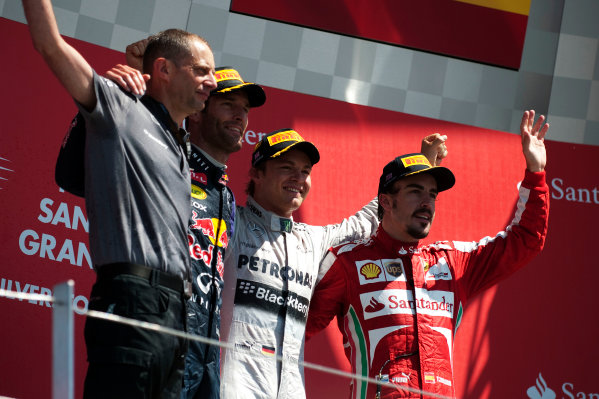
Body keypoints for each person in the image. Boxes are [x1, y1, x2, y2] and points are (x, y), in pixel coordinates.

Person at [21, 1, 217, 397]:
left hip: (177, 314)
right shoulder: (119, 107)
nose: (212, 81)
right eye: (201, 70)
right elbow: (49, 44)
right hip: (131, 299)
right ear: (162, 69)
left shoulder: (180, 142)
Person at [305, 110, 550, 399]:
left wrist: (536, 174)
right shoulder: (348, 263)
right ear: (386, 201)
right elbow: (296, 328)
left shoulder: (453, 262)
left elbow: (526, 240)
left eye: (432, 194)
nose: (427, 202)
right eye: (415, 191)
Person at [55, 63, 266, 398]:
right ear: (197, 111)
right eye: (228, 105)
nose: (240, 116)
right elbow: (70, 177)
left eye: (245, 110)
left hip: (206, 356)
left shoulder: (226, 194)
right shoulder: (160, 158)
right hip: (157, 338)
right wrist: (92, 110)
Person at [219, 129, 449, 399]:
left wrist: (422, 165)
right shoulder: (230, 221)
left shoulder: (314, 241)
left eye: (305, 171)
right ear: (257, 173)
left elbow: (369, 220)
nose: (298, 178)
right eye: (287, 168)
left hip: (290, 391)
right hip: (230, 386)